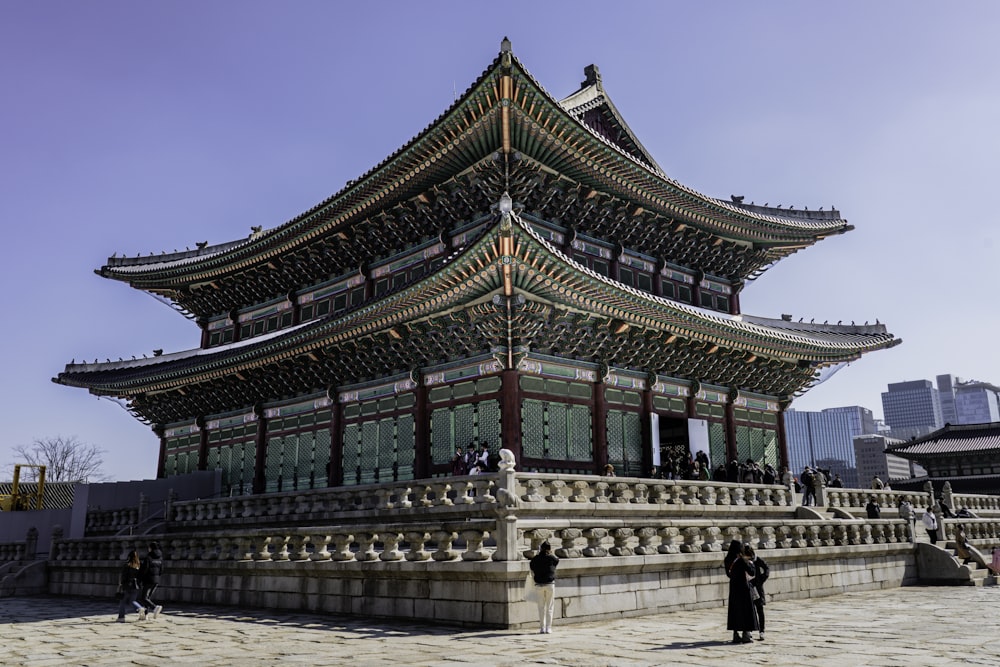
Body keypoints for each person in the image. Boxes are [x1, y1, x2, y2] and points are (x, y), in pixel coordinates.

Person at [724, 539, 757, 643]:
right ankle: (746, 634)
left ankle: (735, 634)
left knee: (735, 611)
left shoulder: (727, 559)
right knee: (746, 611)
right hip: (743, 587)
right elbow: (751, 572)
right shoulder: (741, 560)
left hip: (733, 587)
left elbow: (728, 574)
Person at [529, 542, 559, 634]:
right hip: (549, 584)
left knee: (541, 607)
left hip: (539, 584)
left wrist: (538, 554)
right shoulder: (551, 558)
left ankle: (542, 628)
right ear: (549, 549)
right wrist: (550, 553)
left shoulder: (535, 559)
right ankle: (548, 628)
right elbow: (557, 561)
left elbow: (531, 566)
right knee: (550, 606)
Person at [746, 544, 770, 641]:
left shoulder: (757, 560)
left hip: (757, 588)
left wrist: (762, 578)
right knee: (750, 610)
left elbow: (767, 568)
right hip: (749, 587)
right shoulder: (745, 562)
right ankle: (750, 630)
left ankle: (762, 631)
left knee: (759, 610)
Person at [117, 550, 146, 622]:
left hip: (127, 584)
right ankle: (140, 608)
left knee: (122, 601)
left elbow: (124, 576)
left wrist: (121, 584)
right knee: (132, 601)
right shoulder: (139, 565)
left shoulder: (127, 565)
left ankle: (121, 617)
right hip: (136, 585)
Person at [138, 541, 164, 620]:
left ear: (151, 548)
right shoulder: (160, 558)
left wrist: (140, 578)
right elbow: (161, 570)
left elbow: (144, 570)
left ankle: (155, 607)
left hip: (148, 580)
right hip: (156, 580)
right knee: (147, 598)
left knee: (143, 598)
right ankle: (145, 615)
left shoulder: (148, 557)